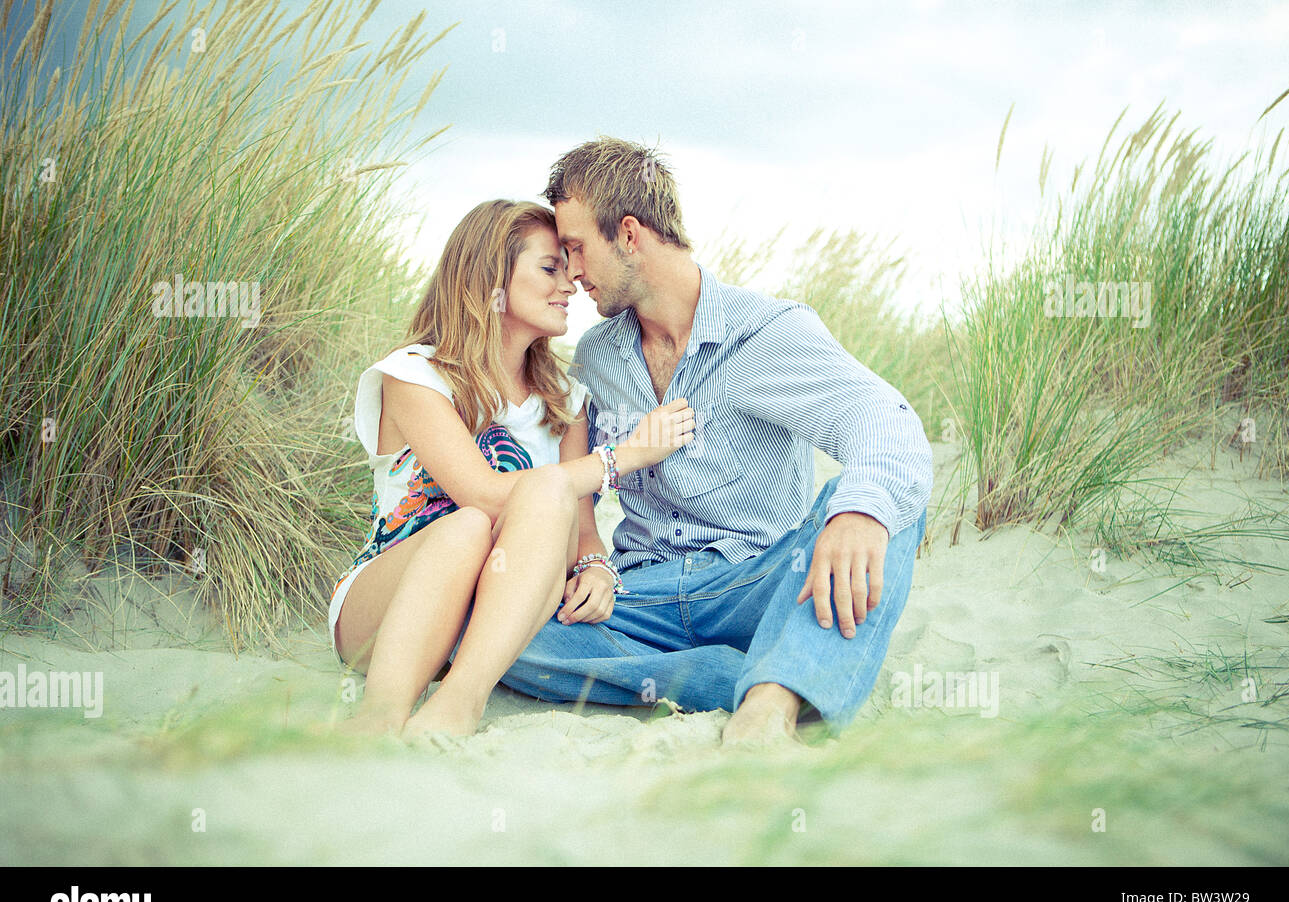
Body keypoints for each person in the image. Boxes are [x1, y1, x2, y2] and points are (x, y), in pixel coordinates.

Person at [488, 138, 935, 745]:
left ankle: (770, 704)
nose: (571, 271)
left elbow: (889, 421)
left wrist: (858, 513)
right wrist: (591, 558)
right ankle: (734, 679)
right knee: (495, 634)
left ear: (628, 233)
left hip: (753, 583)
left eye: (575, 248)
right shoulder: (598, 356)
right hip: (635, 592)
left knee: (884, 508)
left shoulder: (768, 333)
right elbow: (578, 475)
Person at [328, 198, 695, 740]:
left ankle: (458, 704)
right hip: (389, 608)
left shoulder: (564, 398)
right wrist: (624, 458)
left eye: (571, 271)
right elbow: (482, 493)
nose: (569, 286)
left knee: (548, 499)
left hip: (495, 617)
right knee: (472, 521)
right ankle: (379, 716)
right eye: (549, 269)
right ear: (489, 278)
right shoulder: (415, 376)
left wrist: (596, 569)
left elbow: (584, 533)